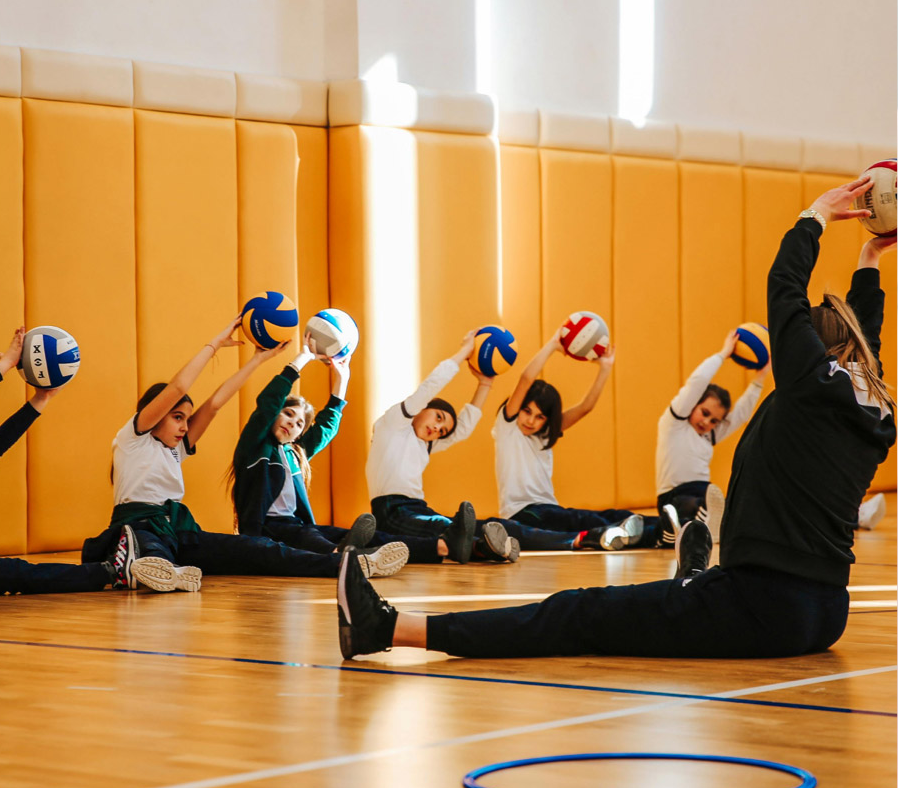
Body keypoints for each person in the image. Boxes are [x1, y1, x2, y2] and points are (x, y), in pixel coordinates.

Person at [337, 176, 895, 660]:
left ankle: (389, 628)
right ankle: (692, 575)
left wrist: (815, 216)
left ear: (815, 351)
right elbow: (864, 335)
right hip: (824, 609)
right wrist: (869, 260)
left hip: (758, 603)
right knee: (672, 594)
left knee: (578, 611)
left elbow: (785, 287)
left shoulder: (808, 386)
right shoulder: (872, 406)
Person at [81, 318, 404, 590]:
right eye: (177, 417)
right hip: (138, 526)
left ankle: (351, 563)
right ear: (155, 413)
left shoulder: (176, 448)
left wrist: (258, 359)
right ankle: (152, 568)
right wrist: (214, 345)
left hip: (179, 530)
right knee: (152, 548)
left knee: (261, 549)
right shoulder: (133, 437)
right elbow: (178, 388)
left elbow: (215, 403)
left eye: (186, 419)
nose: (184, 426)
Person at [0, 328, 134, 598]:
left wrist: (42, 397)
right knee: (10, 572)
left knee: (11, 573)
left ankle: (112, 571)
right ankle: (112, 571)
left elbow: (1, 440)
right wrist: (7, 363)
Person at [230, 338, 417, 569]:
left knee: (358, 534)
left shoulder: (295, 453)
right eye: (288, 414)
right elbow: (269, 402)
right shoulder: (255, 446)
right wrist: (302, 359)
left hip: (298, 525)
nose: (292, 423)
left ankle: (439, 546)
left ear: (298, 436)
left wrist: (342, 378)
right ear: (275, 413)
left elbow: (327, 425)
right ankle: (351, 559)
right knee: (310, 538)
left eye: (299, 424)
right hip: (268, 530)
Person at [488, 333, 654, 551]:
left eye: (540, 417)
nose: (530, 420)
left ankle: (669, 528)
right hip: (521, 513)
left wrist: (605, 368)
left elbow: (585, 407)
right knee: (582, 520)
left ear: (547, 420)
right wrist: (552, 346)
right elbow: (526, 379)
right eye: (527, 411)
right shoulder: (508, 427)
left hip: (548, 509)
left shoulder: (544, 435)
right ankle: (649, 534)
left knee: (613, 515)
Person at [365, 331, 518, 565]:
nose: (437, 428)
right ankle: (485, 545)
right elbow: (430, 386)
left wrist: (485, 384)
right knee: (443, 525)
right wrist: (465, 352)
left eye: (442, 431)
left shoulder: (425, 444)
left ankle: (483, 548)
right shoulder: (394, 424)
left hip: (418, 507)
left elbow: (463, 429)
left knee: (451, 528)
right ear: (424, 407)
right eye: (438, 417)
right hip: (390, 510)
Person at [651, 330, 770, 547]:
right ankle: (692, 526)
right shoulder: (674, 423)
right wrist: (723, 354)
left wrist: (759, 378)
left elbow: (741, 414)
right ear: (693, 404)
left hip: (704, 492)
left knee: (731, 505)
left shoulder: (710, 435)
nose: (707, 422)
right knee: (698, 503)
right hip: (674, 496)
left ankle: (708, 526)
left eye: (715, 420)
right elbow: (697, 382)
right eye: (704, 413)